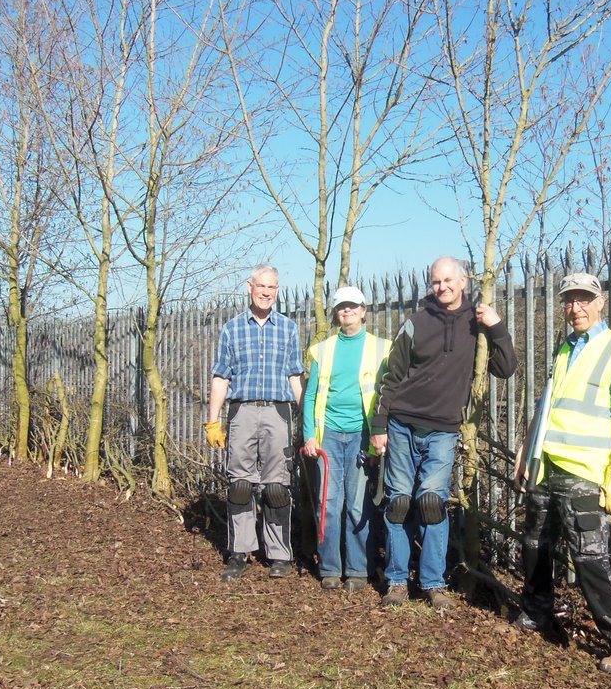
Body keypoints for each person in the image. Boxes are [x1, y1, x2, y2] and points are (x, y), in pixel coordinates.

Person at [514, 272, 611, 676]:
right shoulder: (565, 348)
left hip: (584, 472)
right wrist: (525, 450)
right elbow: (547, 405)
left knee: (590, 556)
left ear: (601, 301)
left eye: (583, 300)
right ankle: (538, 613)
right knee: (535, 543)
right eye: (570, 301)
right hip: (546, 464)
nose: (576, 308)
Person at [370, 256, 517, 611]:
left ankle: (434, 584)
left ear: (463, 280)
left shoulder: (477, 324)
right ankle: (396, 581)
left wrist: (496, 326)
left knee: (433, 504)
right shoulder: (416, 323)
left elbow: (507, 367)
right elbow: (391, 377)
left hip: (443, 430)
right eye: (436, 281)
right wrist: (379, 425)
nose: (442, 287)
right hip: (402, 423)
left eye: (449, 280)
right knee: (399, 503)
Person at [205, 264, 305, 581]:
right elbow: (221, 376)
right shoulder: (231, 329)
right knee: (240, 485)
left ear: (278, 290)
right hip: (242, 411)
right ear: (250, 287)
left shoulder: (288, 328)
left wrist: (307, 421)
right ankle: (239, 552)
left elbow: (295, 377)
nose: (266, 292)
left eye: (272, 287)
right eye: (261, 286)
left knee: (277, 487)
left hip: (278, 412)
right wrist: (213, 420)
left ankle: (279, 555)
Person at [301, 286, 391, 592]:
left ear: (364, 310)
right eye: (341, 307)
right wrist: (309, 435)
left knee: (357, 504)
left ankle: (357, 570)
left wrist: (382, 433)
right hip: (328, 436)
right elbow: (311, 395)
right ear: (335, 312)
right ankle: (329, 568)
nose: (347, 311)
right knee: (327, 503)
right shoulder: (322, 350)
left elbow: (389, 394)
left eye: (352, 306)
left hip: (362, 436)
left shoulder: (383, 348)